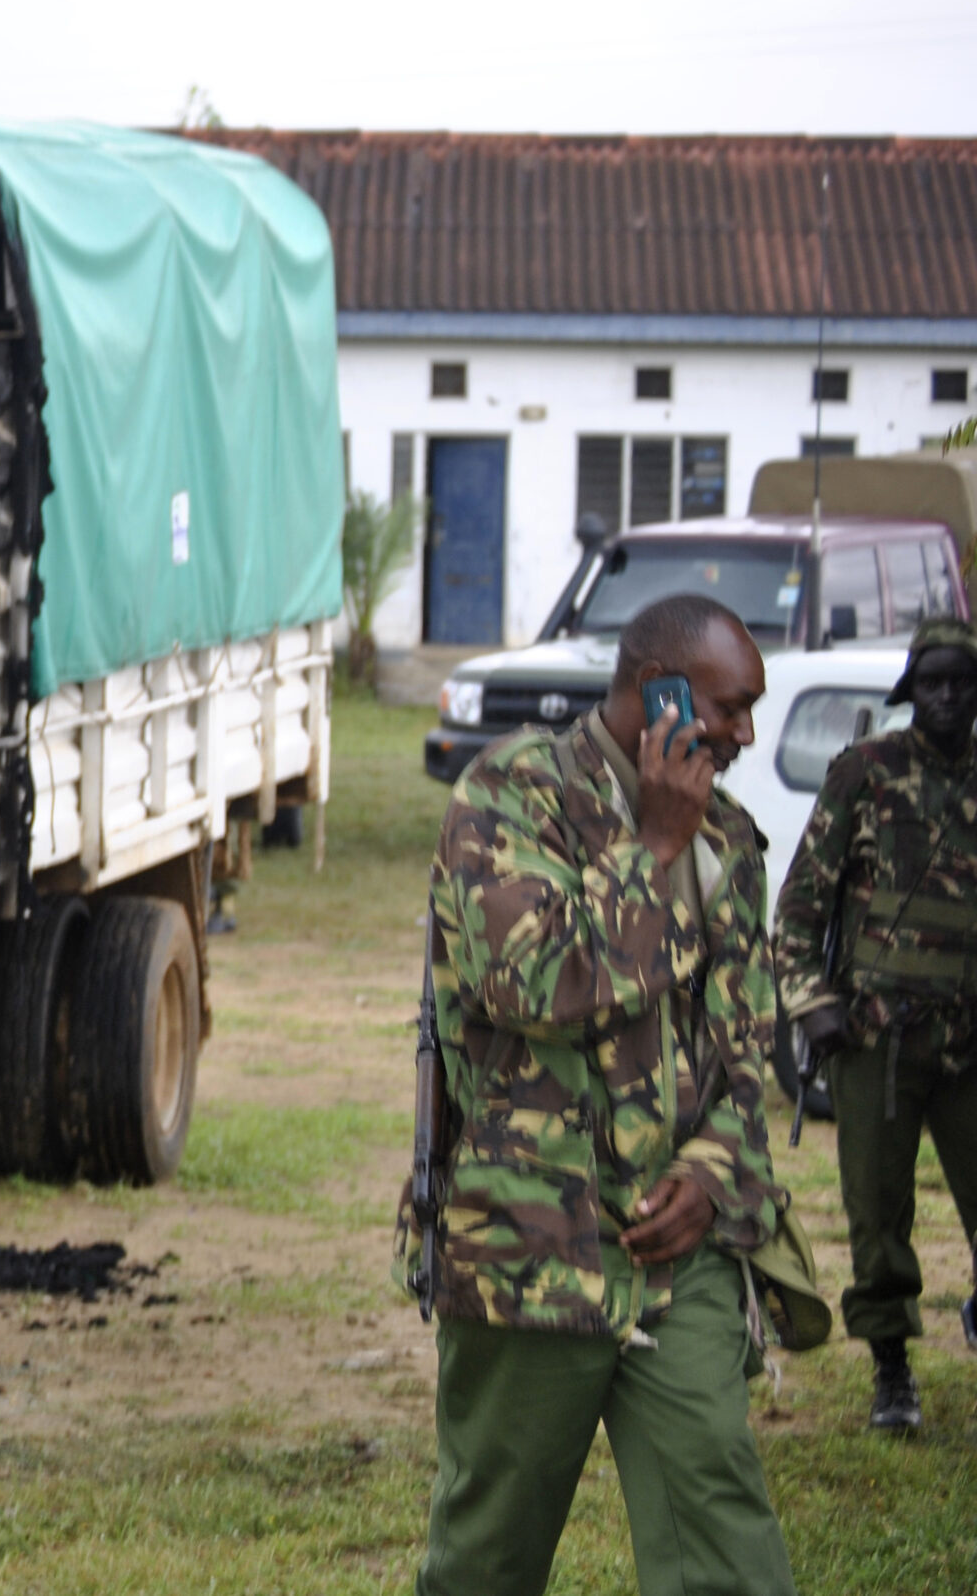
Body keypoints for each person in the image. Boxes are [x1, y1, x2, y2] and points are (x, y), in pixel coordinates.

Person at [408, 591, 793, 1596]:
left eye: (751, 709)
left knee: (724, 1537)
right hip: (531, 1251)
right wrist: (654, 847)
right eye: (726, 706)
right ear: (651, 692)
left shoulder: (729, 837)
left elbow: (751, 1039)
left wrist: (711, 1173)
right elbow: (535, 985)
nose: (744, 732)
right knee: (487, 1554)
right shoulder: (509, 796)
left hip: (681, 1256)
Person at [773, 615, 977, 1432]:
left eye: (964, 681)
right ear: (910, 689)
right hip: (876, 1039)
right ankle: (892, 1371)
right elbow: (798, 908)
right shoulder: (865, 772)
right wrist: (813, 1007)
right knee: (878, 1212)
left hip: (970, 1039)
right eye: (934, 682)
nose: (950, 696)